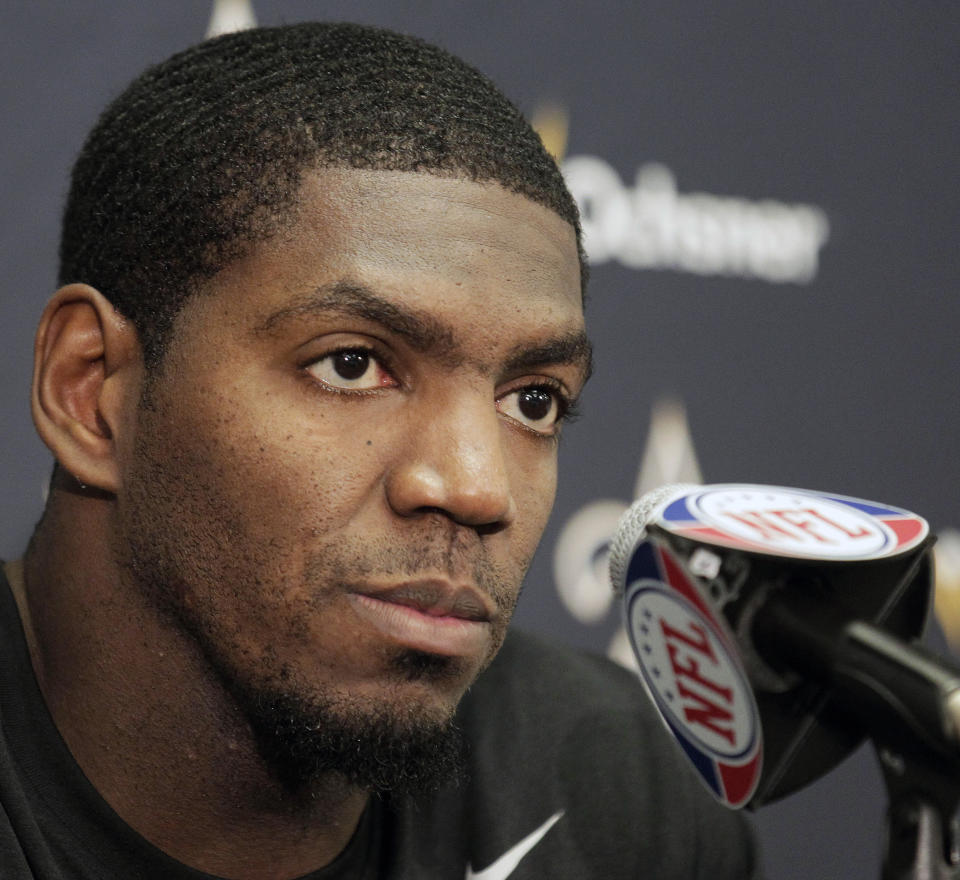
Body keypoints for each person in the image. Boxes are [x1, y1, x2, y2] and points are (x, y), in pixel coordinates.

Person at [1, 21, 759, 879]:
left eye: (534, 401)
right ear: (90, 390)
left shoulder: (615, 787)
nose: (478, 488)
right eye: (352, 364)